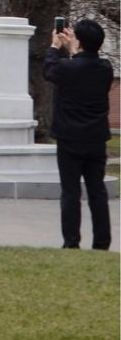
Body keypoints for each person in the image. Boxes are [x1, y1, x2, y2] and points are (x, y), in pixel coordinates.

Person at [44, 18, 113, 251]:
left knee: (71, 192)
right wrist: (76, 50)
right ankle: (102, 242)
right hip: (95, 138)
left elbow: (49, 70)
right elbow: (83, 66)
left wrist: (55, 46)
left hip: (69, 138)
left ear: (79, 41)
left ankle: (71, 241)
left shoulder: (66, 67)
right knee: (97, 191)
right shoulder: (105, 69)